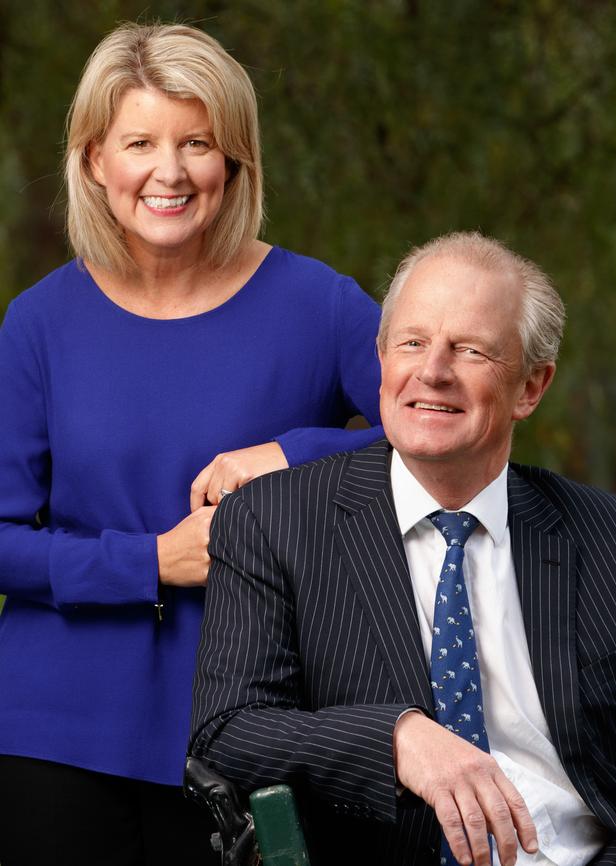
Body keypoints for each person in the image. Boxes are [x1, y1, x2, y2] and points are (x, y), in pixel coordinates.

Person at [0, 22, 383, 866]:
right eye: (140, 142)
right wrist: (151, 561)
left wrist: (293, 455)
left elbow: (445, 434)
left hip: (256, 730)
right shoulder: (36, 324)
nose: (168, 173)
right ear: (96, 159)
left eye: (197, 143)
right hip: (52, 734)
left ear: (235, 158)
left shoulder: (320, 304)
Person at [190, 231, 616, 866]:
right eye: (411, 342)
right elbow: (228, 731)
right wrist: (399, 738)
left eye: (470, 350)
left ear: (530, 388)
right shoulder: (273, 522)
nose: (431, 370)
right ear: (381, 358)